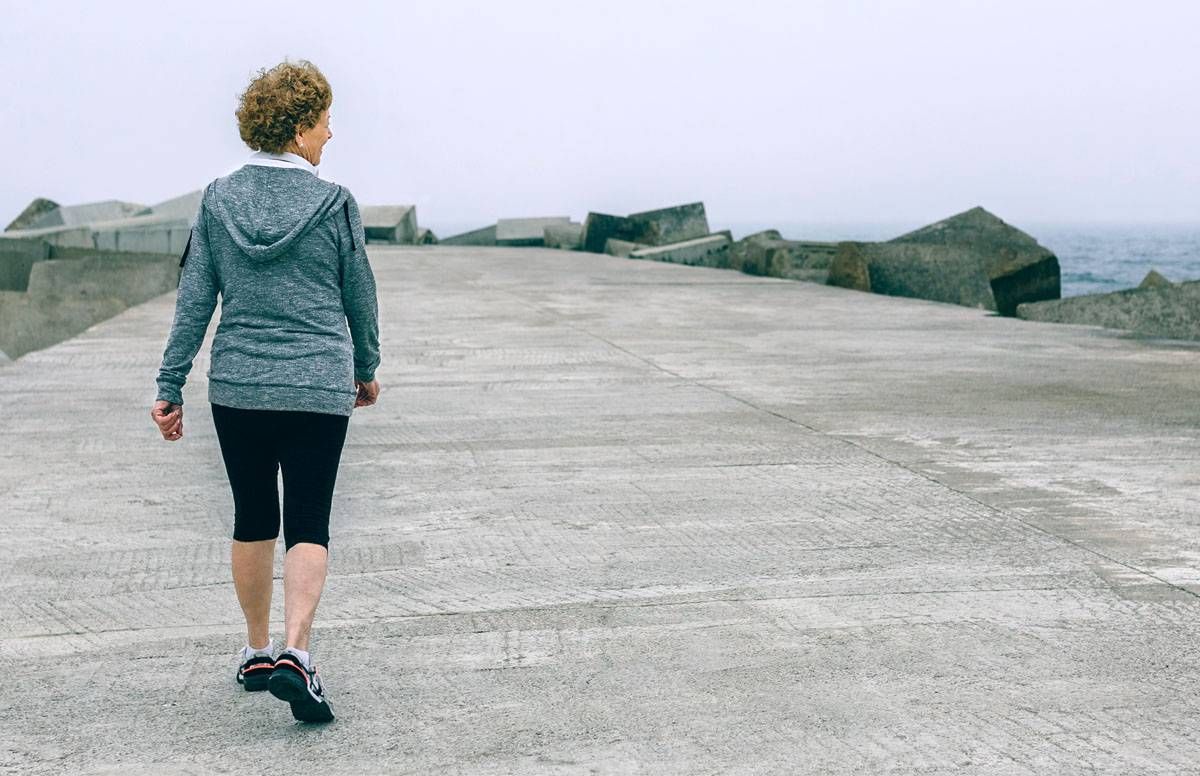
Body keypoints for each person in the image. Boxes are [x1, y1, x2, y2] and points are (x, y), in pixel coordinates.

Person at [149, 59, 380, 723]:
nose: (331, 136)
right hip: (315, 383)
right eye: (326, 122)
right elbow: (359, 295)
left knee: (254, 515)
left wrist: (171, 384)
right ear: (301, 126)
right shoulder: (335, 205)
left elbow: (194, 298)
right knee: (309, 517)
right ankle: (296, 655)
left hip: (239, 384)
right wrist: (366, 367)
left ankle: (256, 652)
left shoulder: (219, 200)